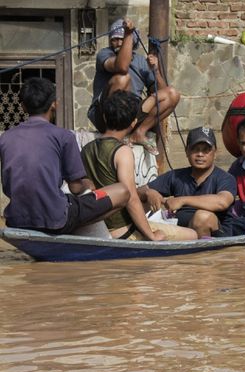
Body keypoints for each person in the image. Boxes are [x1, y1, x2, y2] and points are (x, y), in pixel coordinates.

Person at [0, 77, 128, 234]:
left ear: (24, 107)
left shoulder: (6, 137)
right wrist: (87, 184)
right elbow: (75, 188)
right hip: (56, 219)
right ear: (55, 103)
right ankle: (70, 228)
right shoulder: (63, 136)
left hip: (16, 220)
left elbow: (9, 187)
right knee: (122, 191)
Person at [81, 90, 195, 241]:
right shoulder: (123, 152)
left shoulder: (87, 148)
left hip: (98, 225)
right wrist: (151, 236)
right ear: (133, 122)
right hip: (121, 230)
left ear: (104, 117)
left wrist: (147, 193)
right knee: (193, 235)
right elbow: (130, 198)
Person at [88, 18, 180, 155]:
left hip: (131, 114)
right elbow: (122, 67)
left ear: (133, 41)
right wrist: (128, 33)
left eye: (122, 38)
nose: (118, 43)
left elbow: (161, 91)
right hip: (106, 115)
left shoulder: (140, 62)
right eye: (115, 39)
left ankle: (139, 132)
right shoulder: (105, 54)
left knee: (172, 94)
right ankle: (114, 134)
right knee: (122, 79)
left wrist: (155, 71)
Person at [140, 127, 237, 238]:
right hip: (182, 232)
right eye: (195, 149)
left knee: (203, 217)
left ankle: (201, 254)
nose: (200, 154)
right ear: (187, 152)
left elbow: (222, 202)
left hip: (217, 236)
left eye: (206, 150)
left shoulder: (226, 178)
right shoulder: (176, 176)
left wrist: (182, 200)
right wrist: (149, 192)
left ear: (215, 153)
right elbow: (137, 192)